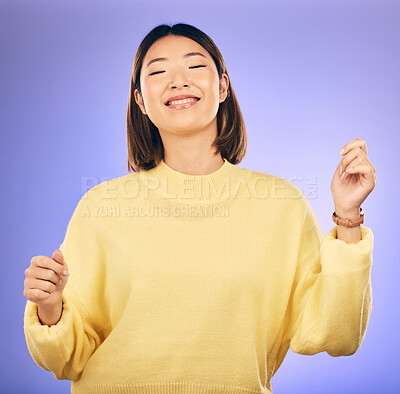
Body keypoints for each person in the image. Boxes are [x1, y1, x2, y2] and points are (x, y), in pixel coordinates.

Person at [23, 23, 376, 394]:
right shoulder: (101, 207)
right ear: (141, 101)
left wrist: (348, 215)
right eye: (157, 72)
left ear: (222, 87)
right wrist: (50, 306)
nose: (177, 81)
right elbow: (68, 358)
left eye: (194, 67)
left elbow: (337, 333)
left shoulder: (282, 204)